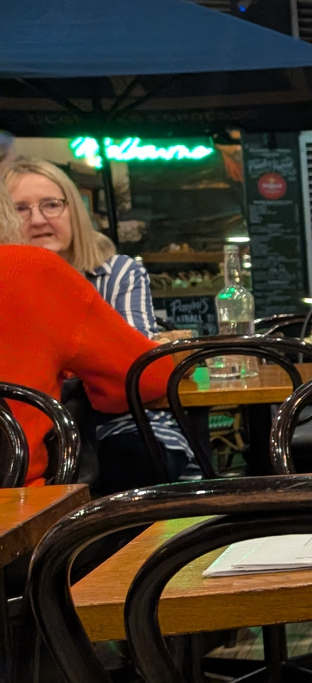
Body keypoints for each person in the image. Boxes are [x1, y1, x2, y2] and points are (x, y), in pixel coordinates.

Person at [4, 157, 195, 485]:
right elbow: (143, 374)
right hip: (21, 489)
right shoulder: (36, 272)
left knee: (133, 456)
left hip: (118, 429)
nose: (37, 220)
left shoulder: (115, 272)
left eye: (52, 205)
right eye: (20, 208)